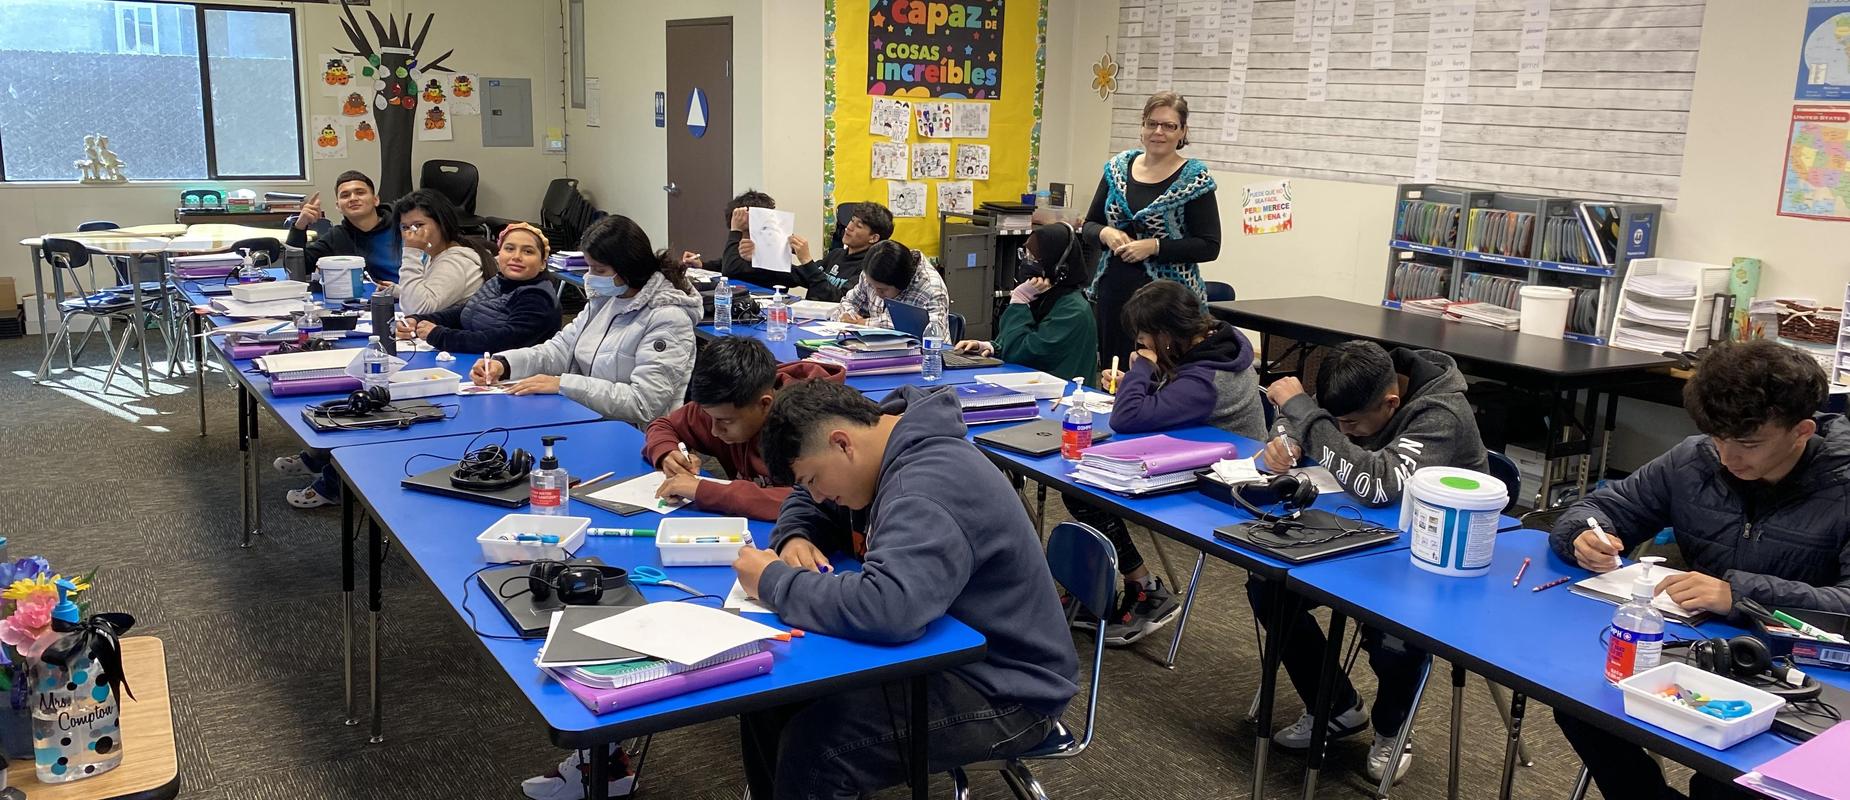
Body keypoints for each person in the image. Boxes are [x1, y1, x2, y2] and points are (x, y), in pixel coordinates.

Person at [730, 380, 1078, 800]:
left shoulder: (925, 487)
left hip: (1008, 687)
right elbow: (806, 504)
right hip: (944, 654)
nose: (819, 495)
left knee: (818, 750)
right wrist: (795, 535)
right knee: (767, 699)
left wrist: (773, 582)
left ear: (842, 443)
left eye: (814, 479)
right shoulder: (877, 444)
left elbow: (889, 609)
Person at [1546, 340, 1848, 800]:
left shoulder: (1841, 486)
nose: (1728, 457)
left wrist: (1739, 596)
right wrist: (1584, 536)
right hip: (1701, 651)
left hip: (1808, 677)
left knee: (1721, 784)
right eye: (1717, 438)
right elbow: (1602, 508)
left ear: (1802, 431)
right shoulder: (1694, 460)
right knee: (1582, 706)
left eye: (1748, 443)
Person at [1249, 339, 1488, 784]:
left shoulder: (1441, 413)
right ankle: (1335, 707)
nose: (1346, 431)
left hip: (1434, 556)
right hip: (1357, 534)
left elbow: (1379, 485)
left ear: (1391, 403)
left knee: (1393, 631)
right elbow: (1299, 416)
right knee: (1269, 586)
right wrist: (1284, 439)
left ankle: (1392, 729)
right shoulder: (1356, 379)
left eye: (1352, 424)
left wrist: (1310, 419)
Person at [1069, 279, 1265, 646]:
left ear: (1167, 335)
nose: (1139, 342)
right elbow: (1176, 392)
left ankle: (1146, 590)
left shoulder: (1207, 380)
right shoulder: (1215, 341)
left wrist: (1142, 371)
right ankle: (1093, 586)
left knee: (1086, 492)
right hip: (1194, 454)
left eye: (1144, 335)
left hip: (1223, 485)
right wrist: (1138, 380)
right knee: (1084, 484)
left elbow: (1126, 418)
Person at [471, 215, 701, 425]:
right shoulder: (605, 300)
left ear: (627, 268)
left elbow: (644, 403)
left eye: (599, 270)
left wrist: (563, 385)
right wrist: (505, 364)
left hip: (637, 436)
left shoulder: (669, 319)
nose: (590, 277)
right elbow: (561, 349)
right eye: (589, 267)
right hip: (587, 417)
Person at [1084, 91, 1220, 370]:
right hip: (1115, 294)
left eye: (1169, 125)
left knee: (1160, 376)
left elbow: (1209, 245)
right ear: (1142, 127)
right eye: (1152, 123)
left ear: (1183, 131)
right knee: (1113, 372)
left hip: (1166, 306)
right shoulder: (1117, 170)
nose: (1158, 132)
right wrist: (1105, 234)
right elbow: (1089, 225)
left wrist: (1154, 246)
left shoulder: (1194, 179)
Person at [640, 335, 845, 520]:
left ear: (765, 404)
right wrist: (668, 453)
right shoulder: (723, 404)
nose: (714, 431)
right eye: (710, 418)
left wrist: (706, 492)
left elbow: (819, 500)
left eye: (726, 421)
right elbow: (663, 425)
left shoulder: (807, 428)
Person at [952, 221, 1098, 383]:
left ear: (1059, 268)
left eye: (1033, 258)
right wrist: (991, 347)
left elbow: (1021, 353)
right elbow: (1024, 339)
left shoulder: (1072, 310)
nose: (1027, 263)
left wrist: (1018, 303)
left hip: (1062, 394)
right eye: (1025, 255)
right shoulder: (1045, 298)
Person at [395, 221, 562, 355]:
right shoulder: (498, 281)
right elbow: (466, 312)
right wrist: (419, 320)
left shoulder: (538, 297)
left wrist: (440, 335)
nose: (516, 257)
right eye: (509, 249)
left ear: (542, 263)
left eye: (528, 252)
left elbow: (503, 341)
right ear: (499, 254)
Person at [286, 170, 403, 283]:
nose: (353, 198)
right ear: (338, 206)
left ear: (375, 200)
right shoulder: (337, 237)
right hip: (374, 294)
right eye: (345, 195)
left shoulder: (404, 225)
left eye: (360, 193)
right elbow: (296, 268)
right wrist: (299, 226)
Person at [390, 189, 493, 315]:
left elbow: (415, 310)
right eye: (405, 227)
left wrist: (411, 252)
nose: (410, 233)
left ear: (442, 223)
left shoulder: (455, 262)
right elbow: (432, 292)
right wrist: (398, 291)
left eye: (418, 225)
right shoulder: (434, 254)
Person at [678, 189, 791, 288]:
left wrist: (736, 231)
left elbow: (731, 269)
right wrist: (702, 265)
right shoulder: (744, 255)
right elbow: (727, 263)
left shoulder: (771, 257)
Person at [833, 240, 949, 334]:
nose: (876, 293)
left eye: (882, 290)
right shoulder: (872, 269)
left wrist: (864, 324)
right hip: (875, 348)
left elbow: (935, 336)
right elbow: (848, 301)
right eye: (872, 286)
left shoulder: (931, 288)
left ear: (902, 283)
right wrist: (850, 317)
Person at [787, 202, 892, 302]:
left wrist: (806, 260)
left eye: (858, 226)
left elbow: (840, 299)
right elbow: (798, 276)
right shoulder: (836, 254)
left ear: (873, 238)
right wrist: (779, 255)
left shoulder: (870, 268)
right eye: (852, 221)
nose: (849, 227)